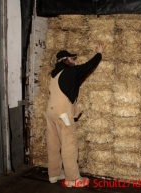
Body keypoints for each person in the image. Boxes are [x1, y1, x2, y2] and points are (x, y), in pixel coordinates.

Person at [45, 43, 105, 187]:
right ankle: (73, 179)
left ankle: (54, 174)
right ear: (65, 60)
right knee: (69, 144)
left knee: (53, 144)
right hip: (62, 113)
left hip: (50, 112)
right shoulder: (70, 72)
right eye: (72, 59)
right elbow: (87, 66)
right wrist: (99, 53)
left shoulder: (54, 74)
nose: (75, 61)